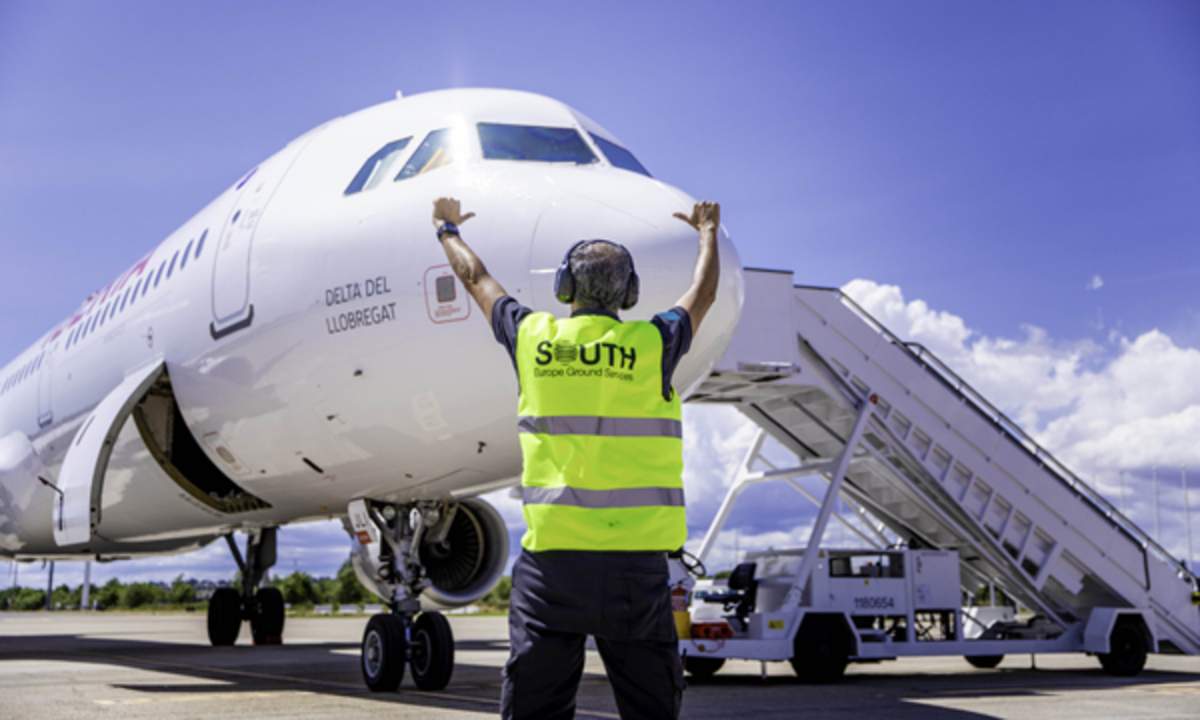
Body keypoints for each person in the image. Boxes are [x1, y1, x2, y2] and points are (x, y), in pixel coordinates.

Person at [431, 195, 721, 720]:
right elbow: (703, 294)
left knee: (535, 707)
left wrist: (447, 229)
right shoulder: (652, 344)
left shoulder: (533, 339)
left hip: (554, 570)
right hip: (637, 570)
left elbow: (476, 279)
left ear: (565, 287)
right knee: (653, 707)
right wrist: (707, 234)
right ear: (628, 293)